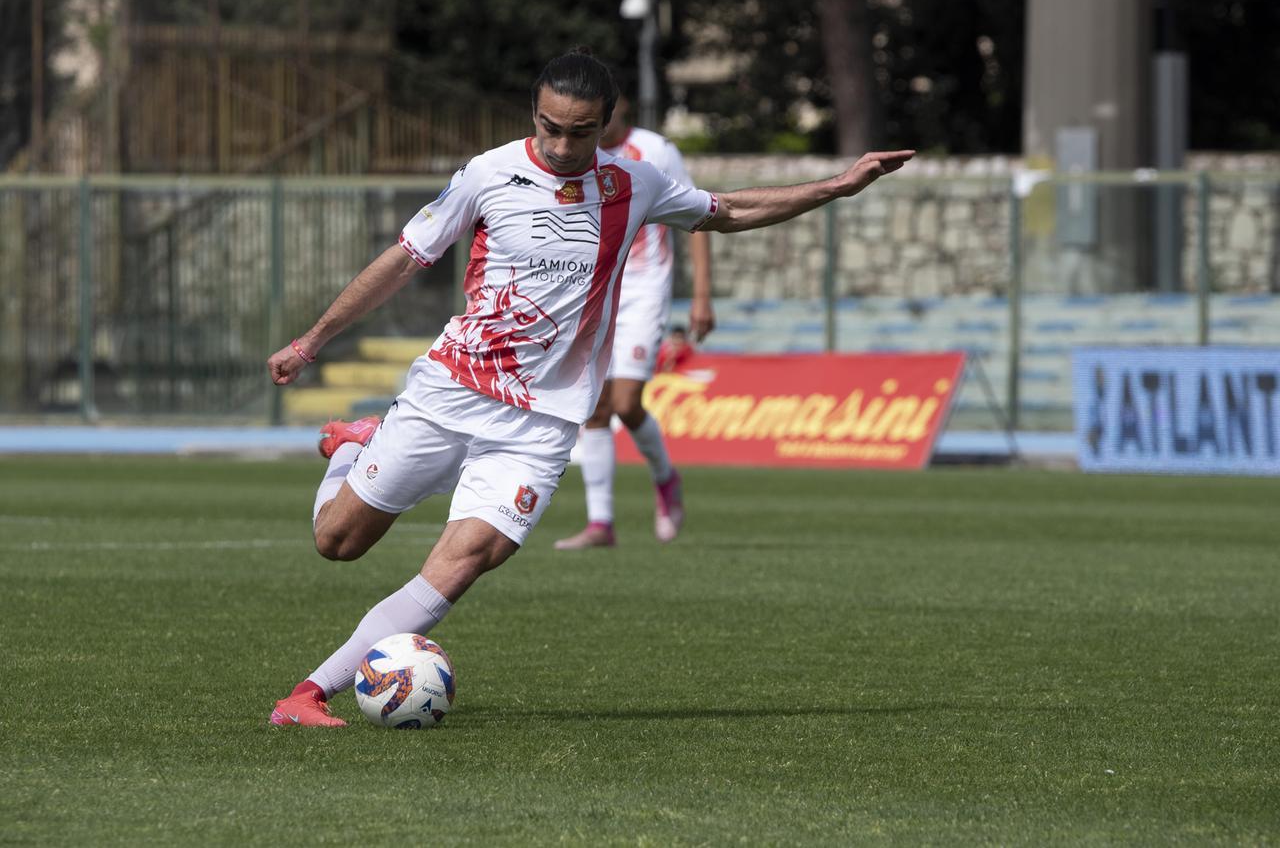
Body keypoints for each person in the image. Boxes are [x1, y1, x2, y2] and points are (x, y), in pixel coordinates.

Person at [264, 48, 914, 727]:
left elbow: (729, 209)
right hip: (452, 391)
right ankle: (351, 447)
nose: (564, 144)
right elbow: (403, 260)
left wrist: (836, 187)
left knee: (470, 558)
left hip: (543, 423)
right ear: (533, 116)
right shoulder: (488, 174)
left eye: (581, 131)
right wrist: (312, 341)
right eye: (550, 127)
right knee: (337, 543)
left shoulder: (636, 182)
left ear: (608, 123)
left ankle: (308, 694)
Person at [554, 95, 713, 550]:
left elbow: (699, 217)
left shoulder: (656, 150)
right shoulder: (578, 154)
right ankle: (601, 523)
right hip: (596, 288)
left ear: (617, 107)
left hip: (643, 289)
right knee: (595, 406)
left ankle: (665, 479)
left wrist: (701, 297)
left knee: (626, 401)